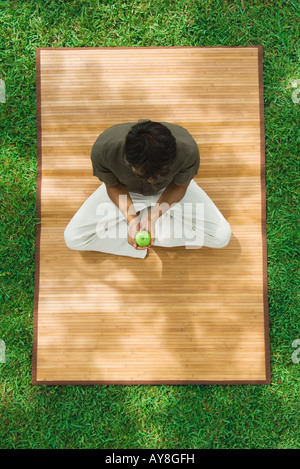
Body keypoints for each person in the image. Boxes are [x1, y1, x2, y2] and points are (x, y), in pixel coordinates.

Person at [64, 119, 231, 259]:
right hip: (126, 191)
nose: (151, 180)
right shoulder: (104, 150)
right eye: (145, 173)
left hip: (168, 191)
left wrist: (152, 217)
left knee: (221, 237)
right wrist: (132, 219)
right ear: (128, 160)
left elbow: (179, 186)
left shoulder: (187, 150)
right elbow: (113, 185)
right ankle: (146, 229)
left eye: (160, 173)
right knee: (73, 239)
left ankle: (148, 228)